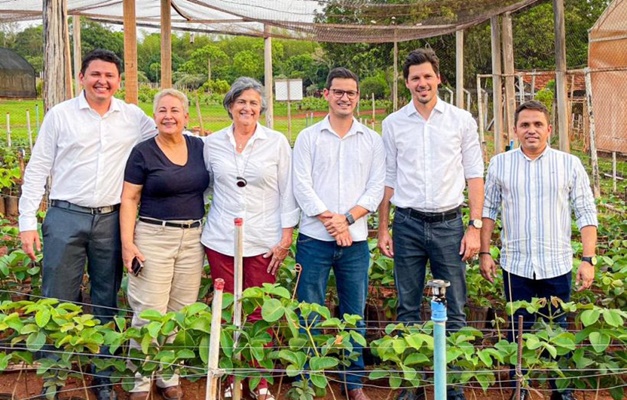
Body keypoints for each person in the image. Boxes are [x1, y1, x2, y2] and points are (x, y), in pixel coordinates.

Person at [18, 49, 156, 400]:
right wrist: (26, 222)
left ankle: (103, 375)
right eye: (95, 74)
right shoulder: (60, 116)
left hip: (111, 220)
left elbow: (167, 137)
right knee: (57, 296)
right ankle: (54, 374)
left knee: (105, 297)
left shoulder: (133, 117)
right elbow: (37, 169)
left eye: (110, 76)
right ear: (81, 77)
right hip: (65, 215)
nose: (102, 81)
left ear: (119, 81)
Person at [377, 48, 484, 400]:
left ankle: (451, 386)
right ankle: (411, 386)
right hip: (406, 224)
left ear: (438, 78)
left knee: (455, 308)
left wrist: (475, 227)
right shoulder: (393, 124)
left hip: (450, 225)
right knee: (407, 306)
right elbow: (388, 179)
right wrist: (383, 228)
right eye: (414, 78)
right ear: (406, 82)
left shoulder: (461, 120)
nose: (421, 83)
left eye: (427, 76)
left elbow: (474, 176)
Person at [480, 100, 597, 400]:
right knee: (519, 332)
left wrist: (588, 259)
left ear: (549, 129)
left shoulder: (569, 164)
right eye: (525, 125)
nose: (531, 130)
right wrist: (484, 252)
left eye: (537, 125)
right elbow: (489, 211)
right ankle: (520, 390)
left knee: (557, 329)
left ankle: (561, 392)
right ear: (516, 130)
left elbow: (585, 213)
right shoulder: (500, 164)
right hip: (515, 265)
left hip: (556, 265)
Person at [202, 77, 299, 400]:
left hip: (263, 240)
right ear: (230, 105)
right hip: (221, 239)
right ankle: (232, 377)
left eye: (253, 103)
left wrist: (286, 237)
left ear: (262, 109)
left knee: (259, 312)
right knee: (230, 311)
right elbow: (203, 186)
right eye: (241, 101)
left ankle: (258, 380)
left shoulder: (276, 143)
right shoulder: (212, 144)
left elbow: (288, 192)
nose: (247, 108)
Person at [293, 67, 386, 400]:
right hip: (313, 241)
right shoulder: (308, 137)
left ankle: (353, 382)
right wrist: (330, 221)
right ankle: (308, 378)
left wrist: (346, 219)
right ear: (326, 95)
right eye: (338, 91)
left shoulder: (371, 140)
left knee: (353, 314)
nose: (345, 97)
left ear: (358, 97)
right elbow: (301, 186)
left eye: (351, 92)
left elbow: (375, 189)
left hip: (355, 243)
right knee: (309, 310)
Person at [120, 89, 208, 400]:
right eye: (161, 110)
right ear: (154, 116)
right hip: (154, 236)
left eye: (175, 110)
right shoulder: (143, 152)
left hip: (193, 237)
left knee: (180, 311)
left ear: (186, 116)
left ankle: (169, 374)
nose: (168, 115)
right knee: (149, 309)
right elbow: (129, 199)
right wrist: (128, 244)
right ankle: (140, 380)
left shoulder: (199, 147)